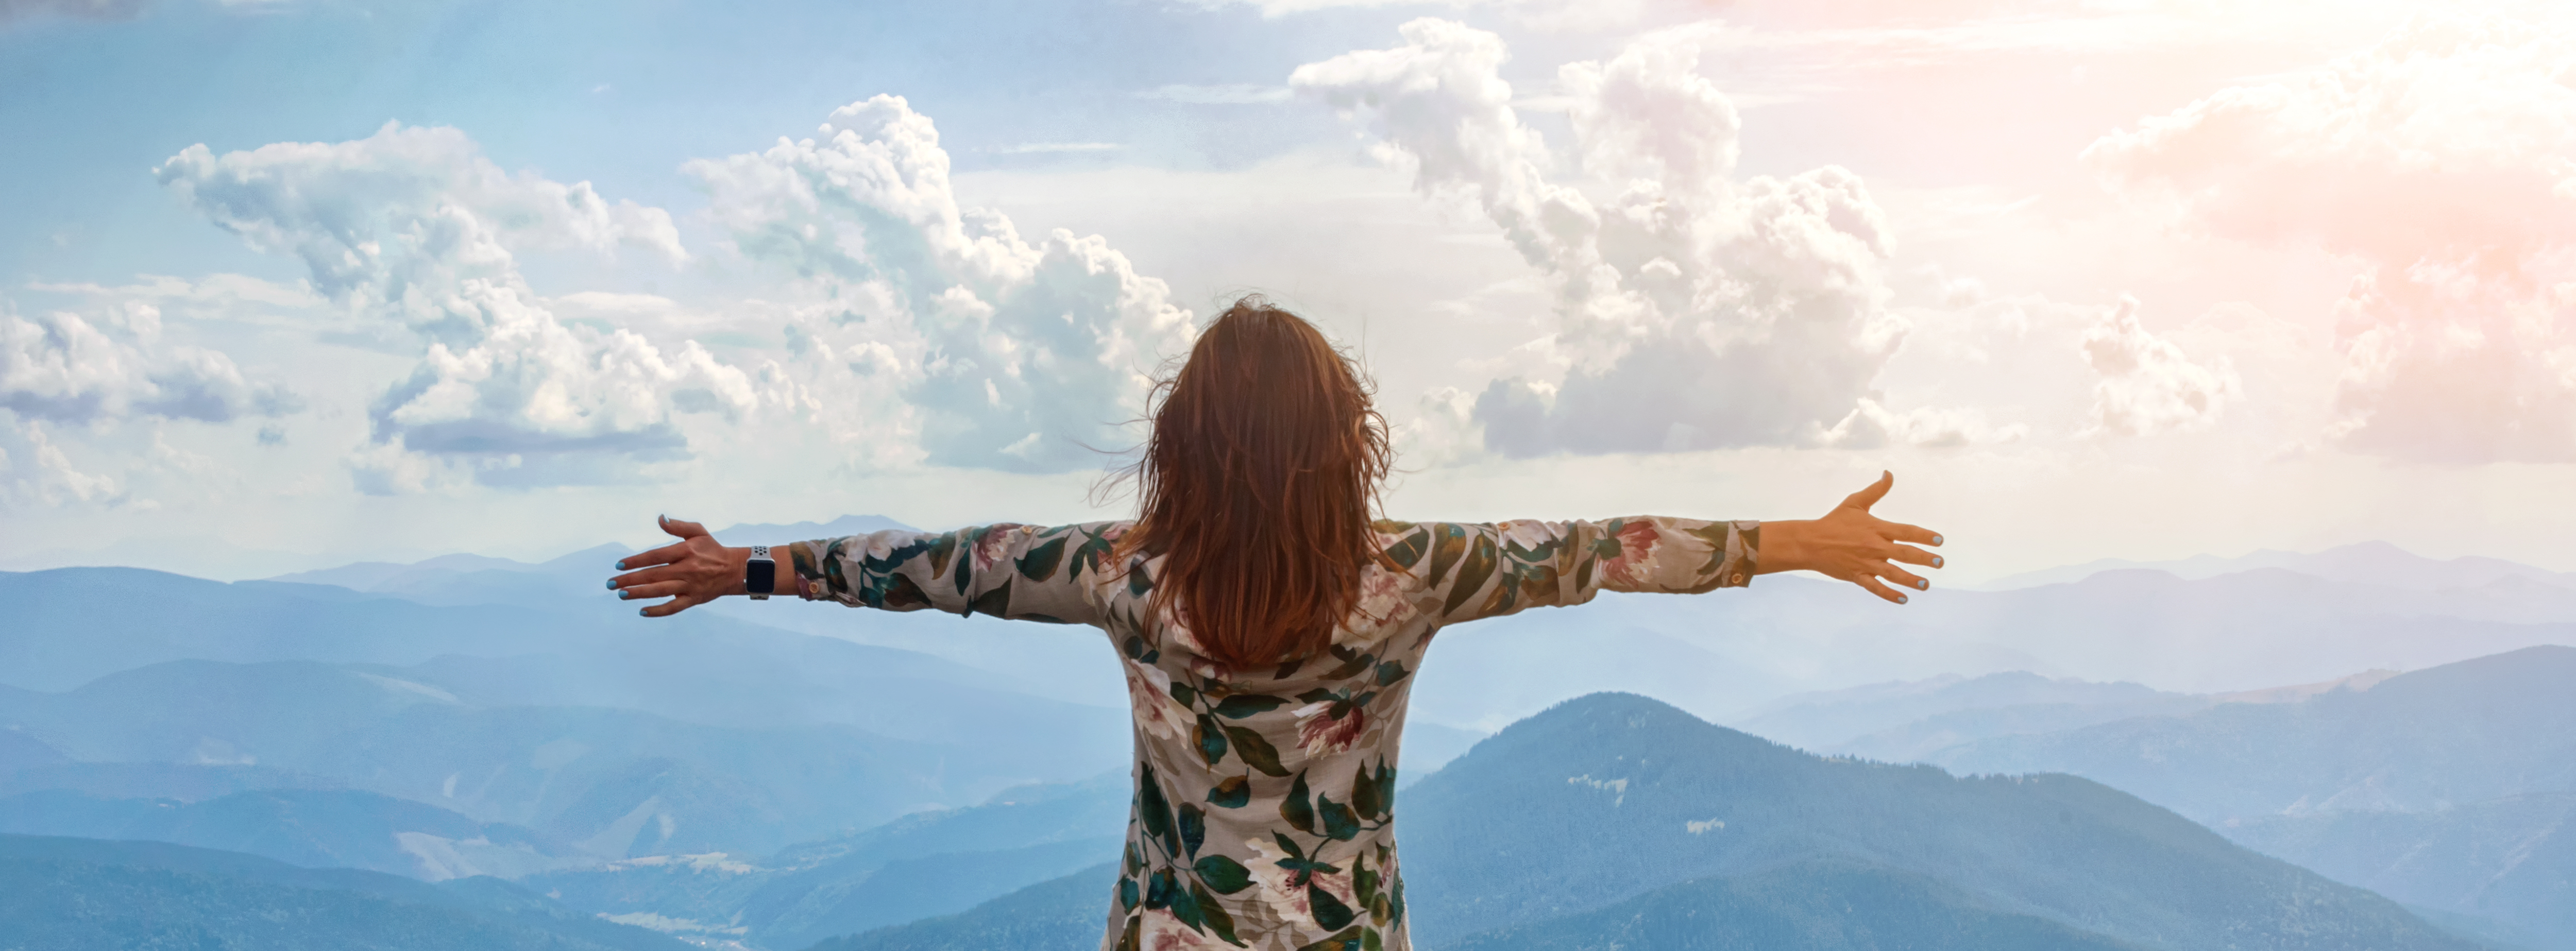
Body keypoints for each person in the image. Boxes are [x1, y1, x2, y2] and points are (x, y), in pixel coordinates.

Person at [606, 297, 1943, 951]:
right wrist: (1801, 545)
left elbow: (946, 568)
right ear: (1344, 447)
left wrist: (761, 569)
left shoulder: (1125, 579)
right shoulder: (1406, 577)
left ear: (1179, 448)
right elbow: (1606, 555)